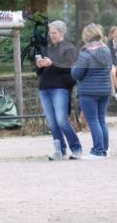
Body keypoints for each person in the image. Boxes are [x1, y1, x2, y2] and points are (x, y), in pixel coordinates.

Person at [35, 20, 82, 160]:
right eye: (50, 32)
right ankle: (59, 150)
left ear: (62, 32)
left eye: (54, 32)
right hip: (44, 87)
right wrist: (39, 65)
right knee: (52, 122)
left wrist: (52, 64)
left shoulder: (70, 49)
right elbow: (40, 72)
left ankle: (76, 148)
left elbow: (70, 68)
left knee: (62, 120)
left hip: (60, 88)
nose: (51, 35)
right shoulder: (47, 48)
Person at [71, 23, 114, 159]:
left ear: (87, 36)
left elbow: (77, 75)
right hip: (104, 90)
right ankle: (105, 149)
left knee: (93, 121)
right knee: (101, 120)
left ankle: (97, 151)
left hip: (89, 91)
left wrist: (73, 67)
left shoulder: (86, 52)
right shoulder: (106, 50)